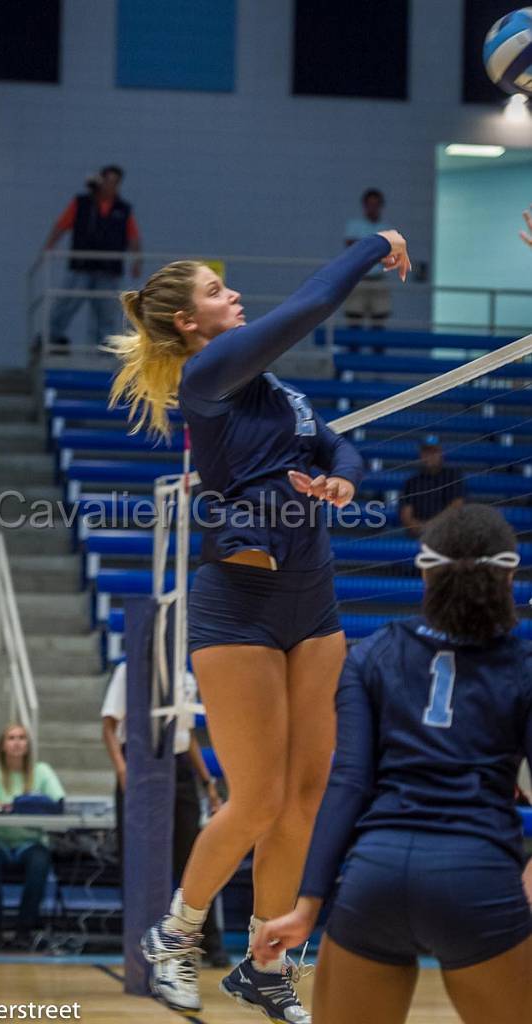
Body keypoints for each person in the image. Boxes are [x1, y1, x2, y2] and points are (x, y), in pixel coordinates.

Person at [105, 229, 411, 1018]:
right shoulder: (207, 377)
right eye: (216, 291)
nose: (231, 295)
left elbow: (344, 450)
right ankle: (173, 935)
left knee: (307, 797)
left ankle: (268, 965)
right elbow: (312, 304)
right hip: (236, 604)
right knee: (258, 800)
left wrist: (341, 484)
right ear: (188, 324)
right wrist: (373, 243)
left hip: (314, 601)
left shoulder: (281, 394)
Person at [253, 503, 532, 1024]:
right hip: (477, 880)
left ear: (424, 573)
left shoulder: (372, 655)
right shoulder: (522, 667)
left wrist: (307, 907)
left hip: (373, 881)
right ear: (510, 577)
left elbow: (348, 784)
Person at [101, 660, 229, 968]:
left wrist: (207, 782)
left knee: (192, 859)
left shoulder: (185, 678)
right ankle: (141, 943)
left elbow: (188, 737)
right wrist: (122, 770)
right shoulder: (129, 671)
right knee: (137, 860)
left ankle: (208, 942)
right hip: (140, 762)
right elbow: (108, 725)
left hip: (180, 765)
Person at [0, 723, 65, 949]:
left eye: (22, 738)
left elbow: (58, 803)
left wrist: (10, 806)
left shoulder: (41, 770)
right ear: (3, 745)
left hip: (30, 840)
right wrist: (28, 804)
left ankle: (24, 931)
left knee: (40, 862)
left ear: (28, 744)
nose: (17, 742)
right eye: (11, 738)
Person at [43, 165, 142, 348]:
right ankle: (52, 337)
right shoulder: (82, 203)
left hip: (108, 269)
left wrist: (137, 260)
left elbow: (133, 236)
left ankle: (103, 346)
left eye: (115, 182)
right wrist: (48, 248)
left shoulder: (123, 209)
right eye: (108, 181)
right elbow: (61, 225)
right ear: (101, 181)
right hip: (82, 265)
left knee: (105, 310)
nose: (110, 186)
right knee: (67, 302)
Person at [344, 188, 394, 329]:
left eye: (376, 204)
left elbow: (390, 255)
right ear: (364, 205)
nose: (372, 208)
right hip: (358, 279)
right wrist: (377, 252)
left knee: (379, 323)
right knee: (354, 322)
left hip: (378, 279)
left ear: (381, 206)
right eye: (369, 204)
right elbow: (352, 250)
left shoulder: (387, 228)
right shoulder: (354, 225)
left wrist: (366, 249)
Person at [399, 434, 464, 538]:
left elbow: (456, 506)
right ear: (421, 455)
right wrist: (420, 528)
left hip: (446, 532)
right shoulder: (412, 482)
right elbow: (406, 515)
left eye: (433, 452)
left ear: (441, 454)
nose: (430, 456)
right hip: (419, 534)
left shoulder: (452, 476)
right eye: (426, 452)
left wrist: (431, 526)